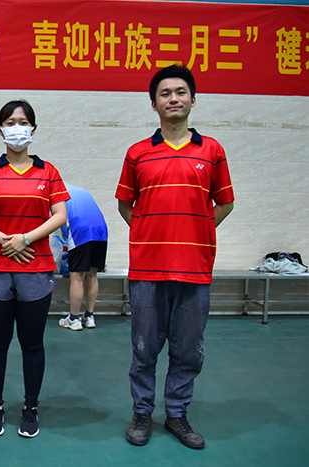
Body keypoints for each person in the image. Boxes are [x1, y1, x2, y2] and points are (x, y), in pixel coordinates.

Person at [116, 65, 234, 449]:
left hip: (194, 270)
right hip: (147, 271)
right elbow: (125, 204)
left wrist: (196, 230)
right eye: (164, 93)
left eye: (180, 92)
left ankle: (177, 414)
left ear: (193, 100)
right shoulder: (137, 154)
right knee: (144, 349)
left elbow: (225, 203)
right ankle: (142, 412)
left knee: (187, 351)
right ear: (154, 104)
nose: (173, 99)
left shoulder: (212, 151)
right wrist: (152, 233)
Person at [0, 100, 69, 438]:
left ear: (33, 129)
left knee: (32, 344)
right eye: (10, 122)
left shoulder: (48, 171)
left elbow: (60, 215)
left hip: (36, 269)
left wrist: (25, 239)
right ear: (0, 130)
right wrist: (5, 241)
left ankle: (30, 407)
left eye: (23, 122)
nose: (17, 128)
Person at [58, 183, 108, 331]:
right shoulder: (78, 189)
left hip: (81, 231)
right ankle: (89, 316)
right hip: (101, 231)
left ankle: (73, 319)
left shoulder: (55, 193)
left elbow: (57, 221)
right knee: (92, 274)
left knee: (77, 277)